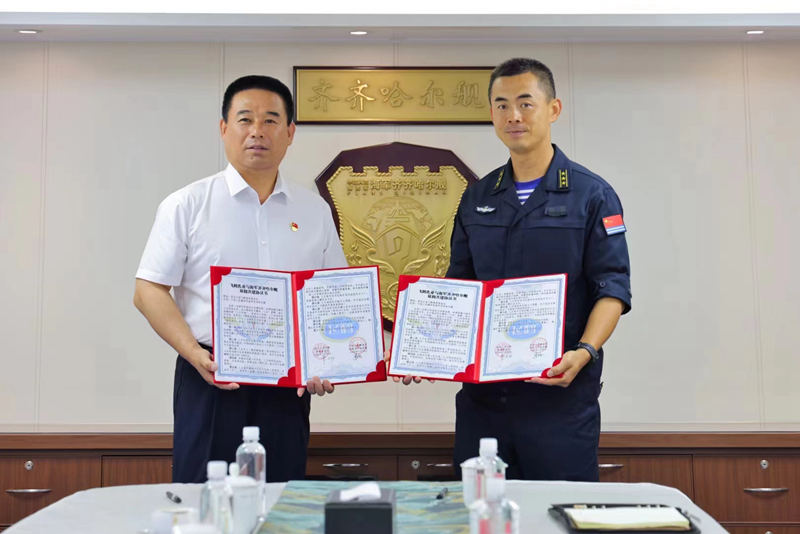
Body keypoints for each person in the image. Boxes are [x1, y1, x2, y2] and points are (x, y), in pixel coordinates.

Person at [133, 75, 347, 483]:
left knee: (280, 494)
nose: (257, 131)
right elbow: (148, 290)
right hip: (212, 375)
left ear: (290, 133)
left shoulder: (314, 210)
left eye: (270, 121)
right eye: (245, 119)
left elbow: (333, 296)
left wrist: (328, 361)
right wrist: (193, 354)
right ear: (224, 128)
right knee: (204, 495)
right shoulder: (187, 204)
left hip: (288, 383)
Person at [446, 58, 632, 481]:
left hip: (559, 400)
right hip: (483, 402)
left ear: (553, 109)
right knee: (481, 510)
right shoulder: (477, 197)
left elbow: (612, 289)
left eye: (525, 103)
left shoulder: (592, 195)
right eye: (501, 105)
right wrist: (425, 349)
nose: (513, 115)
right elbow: (459, 286)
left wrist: (585, 351)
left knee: (561, 509)